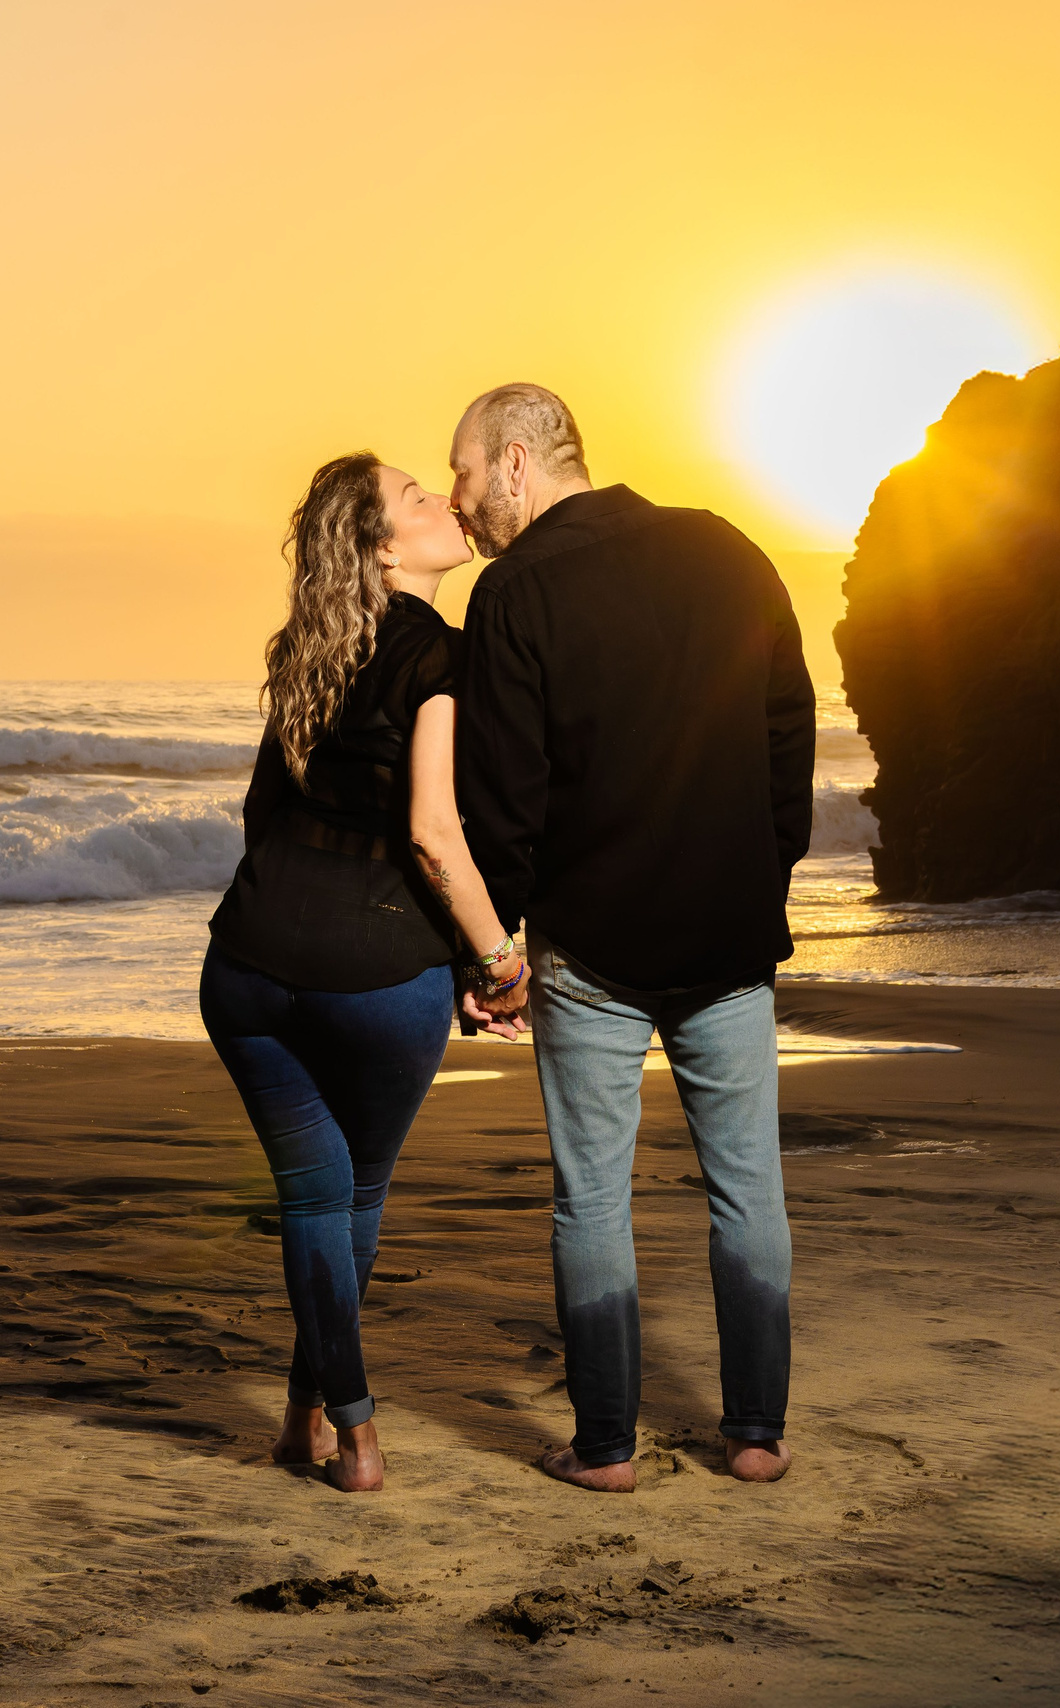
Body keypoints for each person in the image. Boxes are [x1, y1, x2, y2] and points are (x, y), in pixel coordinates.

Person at [450, 383, 816, 1491]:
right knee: (748, 1187)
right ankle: (754, 1435)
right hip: (726, 934)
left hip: (593, 951)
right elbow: (785, 727)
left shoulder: (513, 594)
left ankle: (605, 1445)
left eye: (464, 471)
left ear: (517, 463)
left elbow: (505, 797)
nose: (459, 500)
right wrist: (765, 865)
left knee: (591, 1196)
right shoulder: (727, 551)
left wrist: (489, 953)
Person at [201, 452, 527, 1494]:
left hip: (247, 968)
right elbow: (435, 835)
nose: (443, 501)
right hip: (376, 978)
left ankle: (312, 1421)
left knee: (313, 1197)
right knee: (354, 1195)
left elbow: (261, 816)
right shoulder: (440, 654)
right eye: (418, 498)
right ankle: (357, 1432)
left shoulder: (309, 650)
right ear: (387, 546)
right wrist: (496, 956)